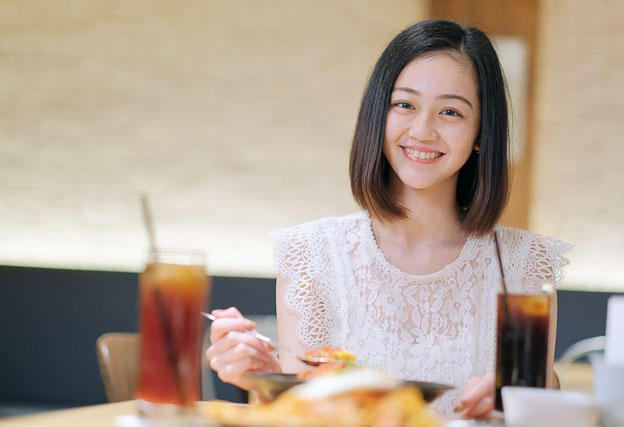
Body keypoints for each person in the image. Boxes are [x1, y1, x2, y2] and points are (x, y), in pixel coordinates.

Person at [205, 19, 571, 419]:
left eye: (450, 111)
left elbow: (540, 409)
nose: (422, 130)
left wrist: (531, 392)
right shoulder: (311, 255)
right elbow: (304, 416)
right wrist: (267, 379)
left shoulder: (528, 263)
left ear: (482, 131)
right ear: (379, 114)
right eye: (405, 104)